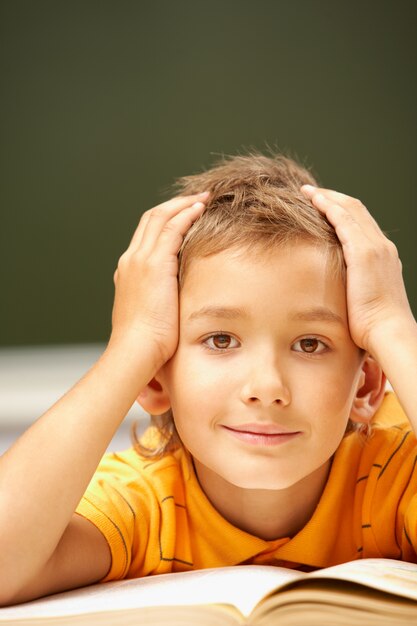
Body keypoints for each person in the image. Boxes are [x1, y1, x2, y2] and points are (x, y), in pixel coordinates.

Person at [1, 153, 416, 606]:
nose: (266, 387)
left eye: (309, 344)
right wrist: (134, 345)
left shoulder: (393, 477)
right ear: (155, 378)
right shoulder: (147, 502)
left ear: (367, 386)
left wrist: (391, 325)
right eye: (221, 340)